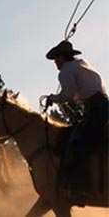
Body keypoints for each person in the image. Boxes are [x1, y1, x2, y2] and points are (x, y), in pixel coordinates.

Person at [45, 40, 108, 203]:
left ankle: (81, 188)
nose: (55, 63)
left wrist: (53, 98)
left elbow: (68, 95)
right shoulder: (81, 64)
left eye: (56, 59)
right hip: (101, 105)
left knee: (77, 142)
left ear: (62, 57)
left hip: (98, 109)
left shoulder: (66, 70)